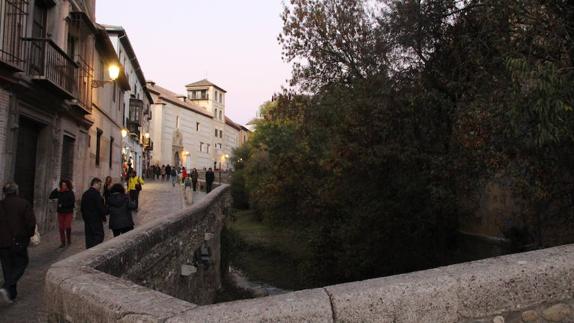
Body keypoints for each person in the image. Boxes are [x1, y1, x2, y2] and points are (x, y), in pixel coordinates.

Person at [0, 182, 36, 304]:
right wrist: (30, 235)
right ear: (17, 191)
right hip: (18, 241)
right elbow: (31, 223)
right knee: (21, 263)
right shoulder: (23, 204)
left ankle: (11, 295)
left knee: (7, 268)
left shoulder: (1, 204)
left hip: (3, 242)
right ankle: (6, 287)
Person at [80, 178, 107, 249]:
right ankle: (93, 251)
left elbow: (82, 208)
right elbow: (100, 208)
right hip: (96, 220)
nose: (100, 187)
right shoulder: (96, 194)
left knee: (89, 238)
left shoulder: (85, 194)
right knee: (99, 236)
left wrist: (85, 218)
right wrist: (104, 216)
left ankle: (89, 251)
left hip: (87, 220)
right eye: (100, 185)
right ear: (95, 183)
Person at [49, 180, 76, 248]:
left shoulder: (70, 193)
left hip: (68, 212)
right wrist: (56, 190)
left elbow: (72, 203)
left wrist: (63, 205)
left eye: (64, 185)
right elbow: (51, 196)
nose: (63, 186)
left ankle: (69, 239)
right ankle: (63, 242)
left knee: (67, 226)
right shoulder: (59, 192)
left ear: (67, 185)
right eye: (62, 185)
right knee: (61, 228)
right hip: (60, 212)